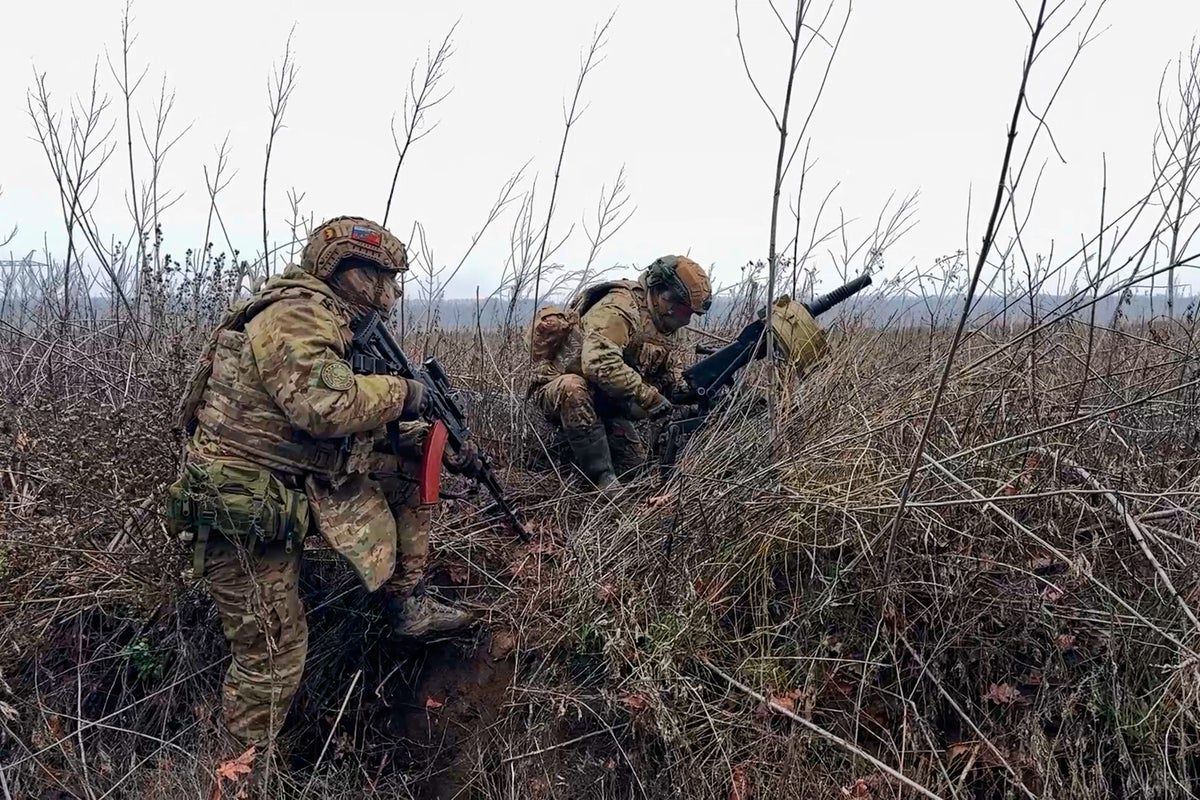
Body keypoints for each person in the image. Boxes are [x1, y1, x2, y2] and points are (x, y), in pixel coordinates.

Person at [167, 215, 479, 751]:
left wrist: (421, 438)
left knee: (408, 465)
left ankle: (409, 604)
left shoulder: (333, 322)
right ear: (349, 272)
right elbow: (324, 407)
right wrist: (405, 394)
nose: (391, 291)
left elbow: (327, 424)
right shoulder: (296, 313)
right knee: (272, 655)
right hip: (241, 505)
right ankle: (239, 773)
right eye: (383, 277)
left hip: (293, 483)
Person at [527, 254, 711, 493]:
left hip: (606, 401)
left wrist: (687, 392)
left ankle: (581, 453)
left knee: (634, 470)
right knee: (573, 387)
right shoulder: (620, 307)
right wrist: (649, 396)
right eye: (682, 309)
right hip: (559, 391)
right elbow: (598, 363)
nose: (686, 319)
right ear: (660, 292)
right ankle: (601, 479)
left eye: (691, 313)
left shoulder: (664, 325)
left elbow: (668, 372)